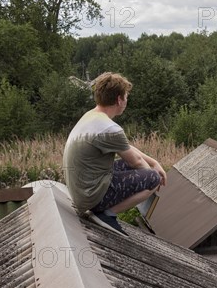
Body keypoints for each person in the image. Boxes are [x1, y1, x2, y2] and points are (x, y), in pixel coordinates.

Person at [63, 72, 166, 235]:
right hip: (91, 197)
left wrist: (154, 162)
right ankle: (106, 214)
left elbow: (126, 148)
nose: (126, 101)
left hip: (81, 192)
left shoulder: (91, 117)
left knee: (138, 167)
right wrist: (152, 176)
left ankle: (104, 211)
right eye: (126, 97)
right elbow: (137, 163)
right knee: (153, 178)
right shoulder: (110, 129)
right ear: (119, 99)